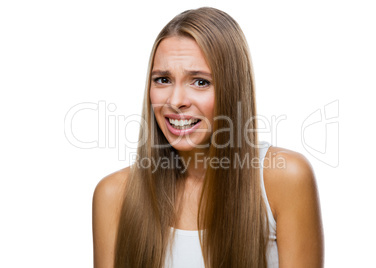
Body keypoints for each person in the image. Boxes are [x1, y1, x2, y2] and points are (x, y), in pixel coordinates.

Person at [92, 7, 324, 268]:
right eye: (163, 79)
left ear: (232, 88)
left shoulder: (284, 179)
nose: (176, 101)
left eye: (200, 82)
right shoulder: (114, 195)